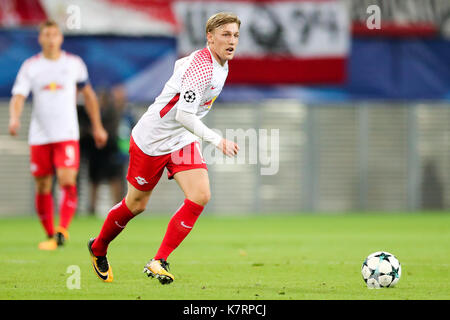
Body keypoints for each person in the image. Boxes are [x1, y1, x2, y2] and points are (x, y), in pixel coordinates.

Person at [88, 12, 241, 284]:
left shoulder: (220, 65)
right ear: (210, 37)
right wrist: (217, 140)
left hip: (181, 139)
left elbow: (182, 78)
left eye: (236, 35)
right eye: (226, 34)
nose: (232, 41)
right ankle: (98, 247)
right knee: (136, 204)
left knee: (200, 195)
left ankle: (159, 261)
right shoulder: (202, 66)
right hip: (152, 140)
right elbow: (184, 114)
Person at [9, 20, 108, 250]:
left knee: (66, 179)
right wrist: (14, 118)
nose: (51, 39)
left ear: (60, 38)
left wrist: (97, 126)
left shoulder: (74, 64)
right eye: (47, 35)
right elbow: (19, 96)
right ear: (40, 38)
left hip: (66, 133)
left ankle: (62, 229)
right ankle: (50, 234)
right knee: (43, 186)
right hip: (39, 136)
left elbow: (89, 95)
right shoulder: (30, 66)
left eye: (55, 34)